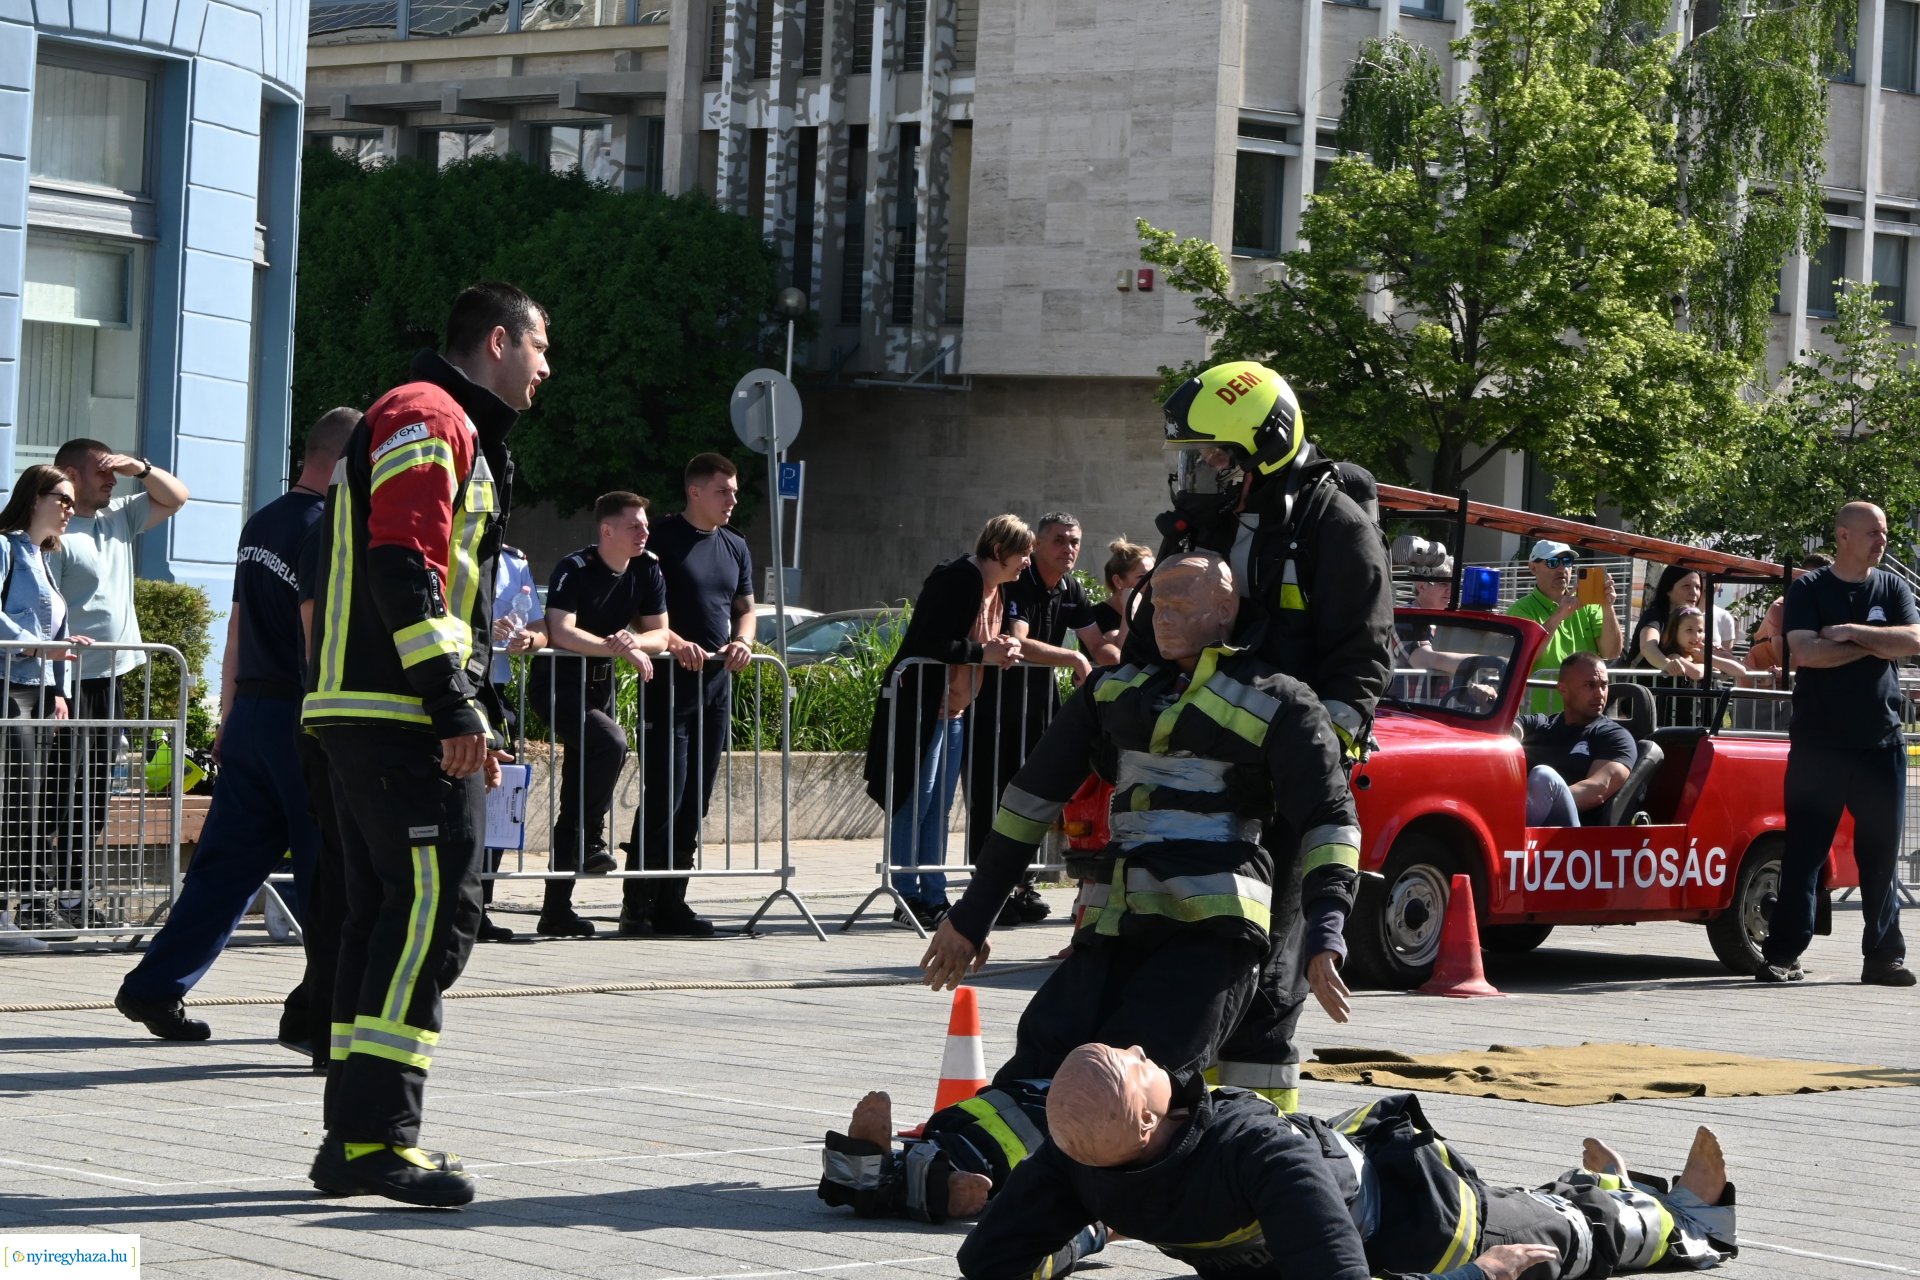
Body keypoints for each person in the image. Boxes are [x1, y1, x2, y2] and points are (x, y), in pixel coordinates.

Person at [920, 552, 1360, 1089]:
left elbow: (1330, 821)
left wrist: (1327, 931)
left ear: (1226, 610)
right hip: (1114, 927)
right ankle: (964, 1161)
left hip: (1210, 937)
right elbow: (1026, 804)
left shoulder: (1281, 703)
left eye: (1180, 604)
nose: (1164, 617)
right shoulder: (1111, 693)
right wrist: (973, 915)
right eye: (1156, 605)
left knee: (1130, 1082)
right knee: (1042, 1059)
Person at [302, 280, 548, 1207]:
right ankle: (374, 1139)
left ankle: (354, 1138)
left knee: (384, 920)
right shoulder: (428, 414)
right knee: (432, 918)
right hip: (398, 717)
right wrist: (452, 703)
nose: (546, 370)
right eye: (539, 349)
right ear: (497, 341)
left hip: (369, 710)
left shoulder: (432, 418)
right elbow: (408, 561)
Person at [1143, 360, 1392, 1109]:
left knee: (1271, 967)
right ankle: (1172, 1119)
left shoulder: (1336, 528)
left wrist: (1312, 757)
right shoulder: (1197, 527)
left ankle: (1258, 1141)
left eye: (1214, 455)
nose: (1199, 470)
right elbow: (1144, 647)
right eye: (1194, 456)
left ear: (1264, 450)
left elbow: (1362, 666)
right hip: (1195, 780)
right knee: (1182, 957)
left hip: (1279, 791)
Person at [954, 1042, 1737, 1280]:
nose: (1136, 1047)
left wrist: (1088, 1230)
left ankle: (1601, 1181)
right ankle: (1679, 1215)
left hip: (1335, 1180)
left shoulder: (1081, 1164)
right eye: (1131, 1063)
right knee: (1564, 1233)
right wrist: (1477, 1277)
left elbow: (988, 1262)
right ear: (1153, 1117)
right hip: (1424, 1221)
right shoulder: (1255, 1151)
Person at [112, 408, 358, 1043]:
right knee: (327, 872)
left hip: (252, 712)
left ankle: (154, 986)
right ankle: (320, 1013)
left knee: (224, 867)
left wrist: (228, 714)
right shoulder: (324, 527)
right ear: (344, 461)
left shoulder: (265, 521)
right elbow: (314, 635)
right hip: (300, 718)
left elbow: (239, 626)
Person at [1760, 502, 1920, 987]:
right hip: (1819, 745)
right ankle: (1783, 954)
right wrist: (1877, 643)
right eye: (1873, 532)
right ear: (1843, 535)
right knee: (1805, 853)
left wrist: (1851, 633)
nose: (1882, 540)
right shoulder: (1808, 588)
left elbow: (1913, 640)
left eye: (1885, 532)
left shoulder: (1891, 586)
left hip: (1881, 743)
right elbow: (1806, 652)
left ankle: (1883, 957)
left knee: (1880, 855)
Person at [48, 438, 189, 926]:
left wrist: (140, 467)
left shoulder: (119, 517)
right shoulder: (55, 529)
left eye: (114, 472)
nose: (111, 479)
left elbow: (176, 496)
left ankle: (74, 895)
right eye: (101, 471)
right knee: (59, 788)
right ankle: (43, 894)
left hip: (112, 677)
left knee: (95, 788)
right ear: (68, 472)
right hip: (65, 682)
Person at [864, 515, 1029, 930]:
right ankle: (907, 897)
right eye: (1022, 553)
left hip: (952, 710)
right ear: (998, 551)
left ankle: (934, 896)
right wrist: (983, 654)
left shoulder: (997, 588)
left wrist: (999, 647)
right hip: (922, 704)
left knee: (938, 808)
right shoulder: (959, 578)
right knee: (912, 802)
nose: (1027, 561)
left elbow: (978, 642)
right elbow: (929, 641)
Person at [619, 454, 754, 938]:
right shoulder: (659, 540)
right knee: (664, 794)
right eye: (724, 491)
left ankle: (673, 899)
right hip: (667, 686)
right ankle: (638, 902)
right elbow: (635, 612)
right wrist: (673, 642)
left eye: (734, 492)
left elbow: (746, 609)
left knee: (694, 800)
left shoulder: (736, 545)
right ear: (695, 492)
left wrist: (744, 640)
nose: (732, 500)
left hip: (716, 689)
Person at [533, 493, 668, 939]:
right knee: (611, 743)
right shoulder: (574, 568)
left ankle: (556, 910)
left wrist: (632, 644)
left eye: (644, 525)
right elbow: (561, 630)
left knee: (575, 792)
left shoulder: (647, 567)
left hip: (599, 688)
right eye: (633, 526)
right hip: (558, 686)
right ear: (606, 530)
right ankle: (592, 837)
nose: (643, 532)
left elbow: (660, 632)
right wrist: (618, 645)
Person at [965, 512, 1109, 927]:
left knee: (1037, 797)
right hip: (997, 706)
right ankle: (990, 889)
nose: (1070, 549)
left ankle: (1023, 886)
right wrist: (1073, 656)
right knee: (993, 796)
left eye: (1075, 541)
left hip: (1041, 705)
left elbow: (1099, 645)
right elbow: (1019, 641)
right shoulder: (1020, 581)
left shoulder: (1072, 587)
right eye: (1060, 541)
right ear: (1039, 545)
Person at [0, 466, 87, 951]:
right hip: (7, 684)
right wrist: (37, 647)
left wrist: (56, 687)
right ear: (35, 498)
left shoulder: (42, 556)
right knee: (14, 797)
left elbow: (51, 636)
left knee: (28, 799)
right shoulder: (6, 547)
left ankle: (26, 904)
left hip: (34, 689)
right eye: (64, 499)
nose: (71, 509)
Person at [479, 542, 546, 943]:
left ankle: (479, 906)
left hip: (496, 694)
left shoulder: (513, 561)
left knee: (499, 806)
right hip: (453, 686)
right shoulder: (448, 549)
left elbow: (539, 629)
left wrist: (526, 640)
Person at [1517, 653, 1637, 826]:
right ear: (1563, 689)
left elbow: (1597, 790)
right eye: (1590, 685)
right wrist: (1488, 705)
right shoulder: (1539, 724)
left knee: (1544, 777)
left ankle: (1507, 835)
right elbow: (1503, 733)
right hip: (1536, 828)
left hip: (1574, 838)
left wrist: (1532, 801)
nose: (1600, 694)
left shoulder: (1615, 736)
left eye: (1604, 685)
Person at [1507, 540, 1623, 713]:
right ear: (1533, 568)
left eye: (1567, 562)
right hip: (1541, 718)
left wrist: (1607, 607)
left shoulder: (1590, 604)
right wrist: (1559, 616)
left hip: (1587, 716)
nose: (1562, 569)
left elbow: (1611, 652)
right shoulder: (1520, 609)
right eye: (1553, 562)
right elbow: (1525, 655)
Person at [1089, 537, 1152, 658]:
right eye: (1142, 577)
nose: (1150, 583)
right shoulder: (1098, 614)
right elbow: (1122, 653)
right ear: (1118, 581)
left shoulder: (1150, 611)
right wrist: (1130, 607)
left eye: (1153, 575)